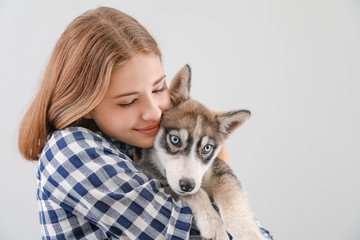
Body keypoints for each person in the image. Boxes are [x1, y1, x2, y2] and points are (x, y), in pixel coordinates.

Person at [18, 6, 272, 239]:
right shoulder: (71, 152)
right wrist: (217, 166)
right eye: (128, 101)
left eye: (159, 89)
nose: (154, 113)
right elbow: (188, 233)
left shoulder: (136, 144)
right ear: (84, 105)